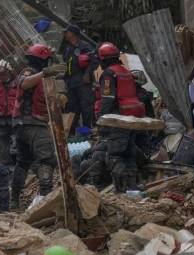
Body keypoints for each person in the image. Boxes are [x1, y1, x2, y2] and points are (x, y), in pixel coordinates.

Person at [12, 44, 57, 207]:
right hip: (33, 124)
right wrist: (43, 73)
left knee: (23, 162)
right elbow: (23, 83)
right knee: (47, 159)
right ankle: (45, 196)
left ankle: (14, 201)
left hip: (22, 125)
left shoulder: (40, 77)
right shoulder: (29, 72)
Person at [97, 42, 146, 192]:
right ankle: (132, 187)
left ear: (103, 59)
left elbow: (107, 99)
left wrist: (102, 121)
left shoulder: (108, 74)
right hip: (133, 118)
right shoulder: (124, 71)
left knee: (115, 155)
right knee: (129, 153)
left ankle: (122, 189)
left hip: (119, 119)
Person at [0, 58, 20, 209]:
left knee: (16, 151)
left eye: (4, 73)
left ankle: (16, 177)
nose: (1, 76)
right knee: (4, 153)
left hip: (14, 122)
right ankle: (7, 180)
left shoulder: (18, 85)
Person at [62, 25, 98, 129]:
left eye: (67, 32)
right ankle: (72, 131)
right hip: (71, 82)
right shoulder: (68, 48)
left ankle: (89, 130)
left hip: (82, 81)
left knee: (86, 106)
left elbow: (94, 61)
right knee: (72, 107)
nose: (65, 35)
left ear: (73, 34)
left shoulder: (85, 46)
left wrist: (87, 73)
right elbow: (66, 63)